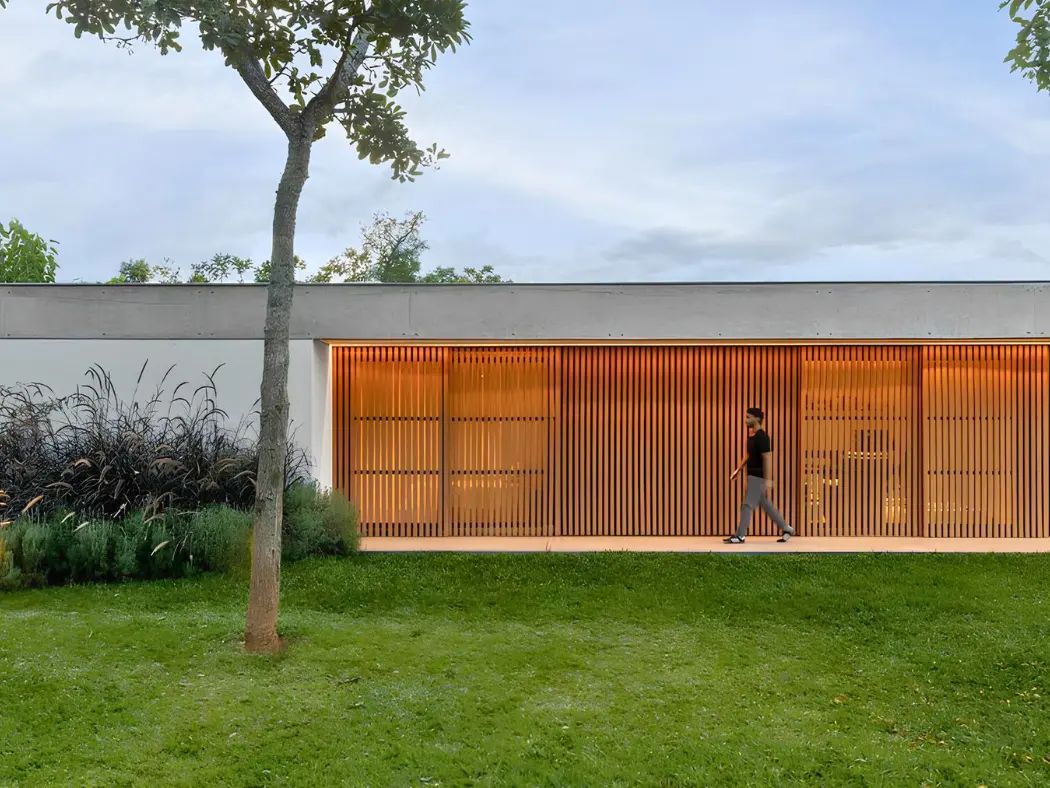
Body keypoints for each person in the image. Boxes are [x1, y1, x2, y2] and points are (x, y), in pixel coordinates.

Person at [723, 407, 795, 544]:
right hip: (752, 476)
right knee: (767, 506)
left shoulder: (762, 437)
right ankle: (787, 529)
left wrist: (767, 479)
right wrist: (737, 470)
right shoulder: (751, 436)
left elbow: (767, 457)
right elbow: (748, 456)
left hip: (758, 477)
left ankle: (740, 535)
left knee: (747, 505)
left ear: (756, 419)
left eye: (748, 417)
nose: (745, 420)